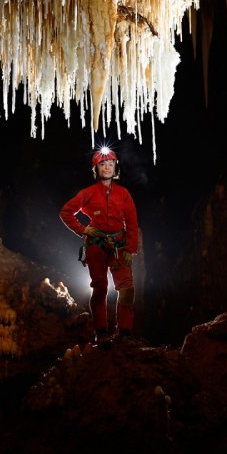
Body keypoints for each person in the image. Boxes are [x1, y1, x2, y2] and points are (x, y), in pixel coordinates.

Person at [59, 146, 139, 344]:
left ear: (116, 167)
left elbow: (132, 222)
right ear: (96, 169)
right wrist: (83, 229)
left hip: (119, 245)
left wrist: (130, 248)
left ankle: (125, 333)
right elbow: (66, 212)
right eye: (102, 164)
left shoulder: (124, 194)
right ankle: (101, 331)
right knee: (100, 287)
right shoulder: (88, 193)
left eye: (111, 164)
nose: (107, 167)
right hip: (96, 245)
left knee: (127, 289)